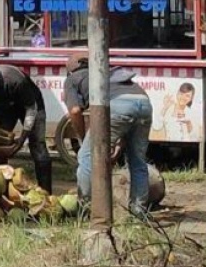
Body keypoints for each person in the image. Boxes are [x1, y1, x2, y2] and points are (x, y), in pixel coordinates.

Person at [63, 53, 153, 216]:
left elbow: (75, 111)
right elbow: (127, 116)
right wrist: (119, 143)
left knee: (85, 157)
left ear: (70, 69)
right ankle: (139, 210)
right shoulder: (106, 72)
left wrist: (83, 139)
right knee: (138, 161)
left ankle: (85, 208)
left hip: (118, 105)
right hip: (144, 102)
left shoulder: (72, 78)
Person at [0, 66, 53, 193]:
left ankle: (46, 191)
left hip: (31, 104)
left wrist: (21, 141)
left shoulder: (15, 80)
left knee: (38, 146)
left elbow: (31, 109)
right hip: (5, 107)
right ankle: (0, 190)